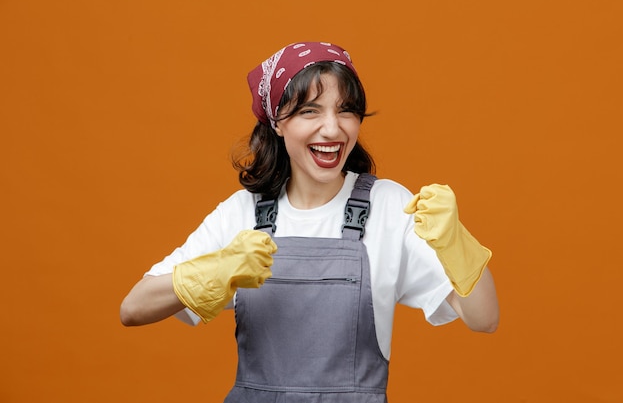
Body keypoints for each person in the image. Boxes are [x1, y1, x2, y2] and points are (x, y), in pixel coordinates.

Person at [120, 41, 499, 402]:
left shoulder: (389, 206)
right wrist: (212, 271)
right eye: (309, 111)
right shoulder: (242, 213)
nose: (333, 129)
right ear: (277, 123)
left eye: (346, 110)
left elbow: (484, 319)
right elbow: (133, 309)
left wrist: (456, 242)